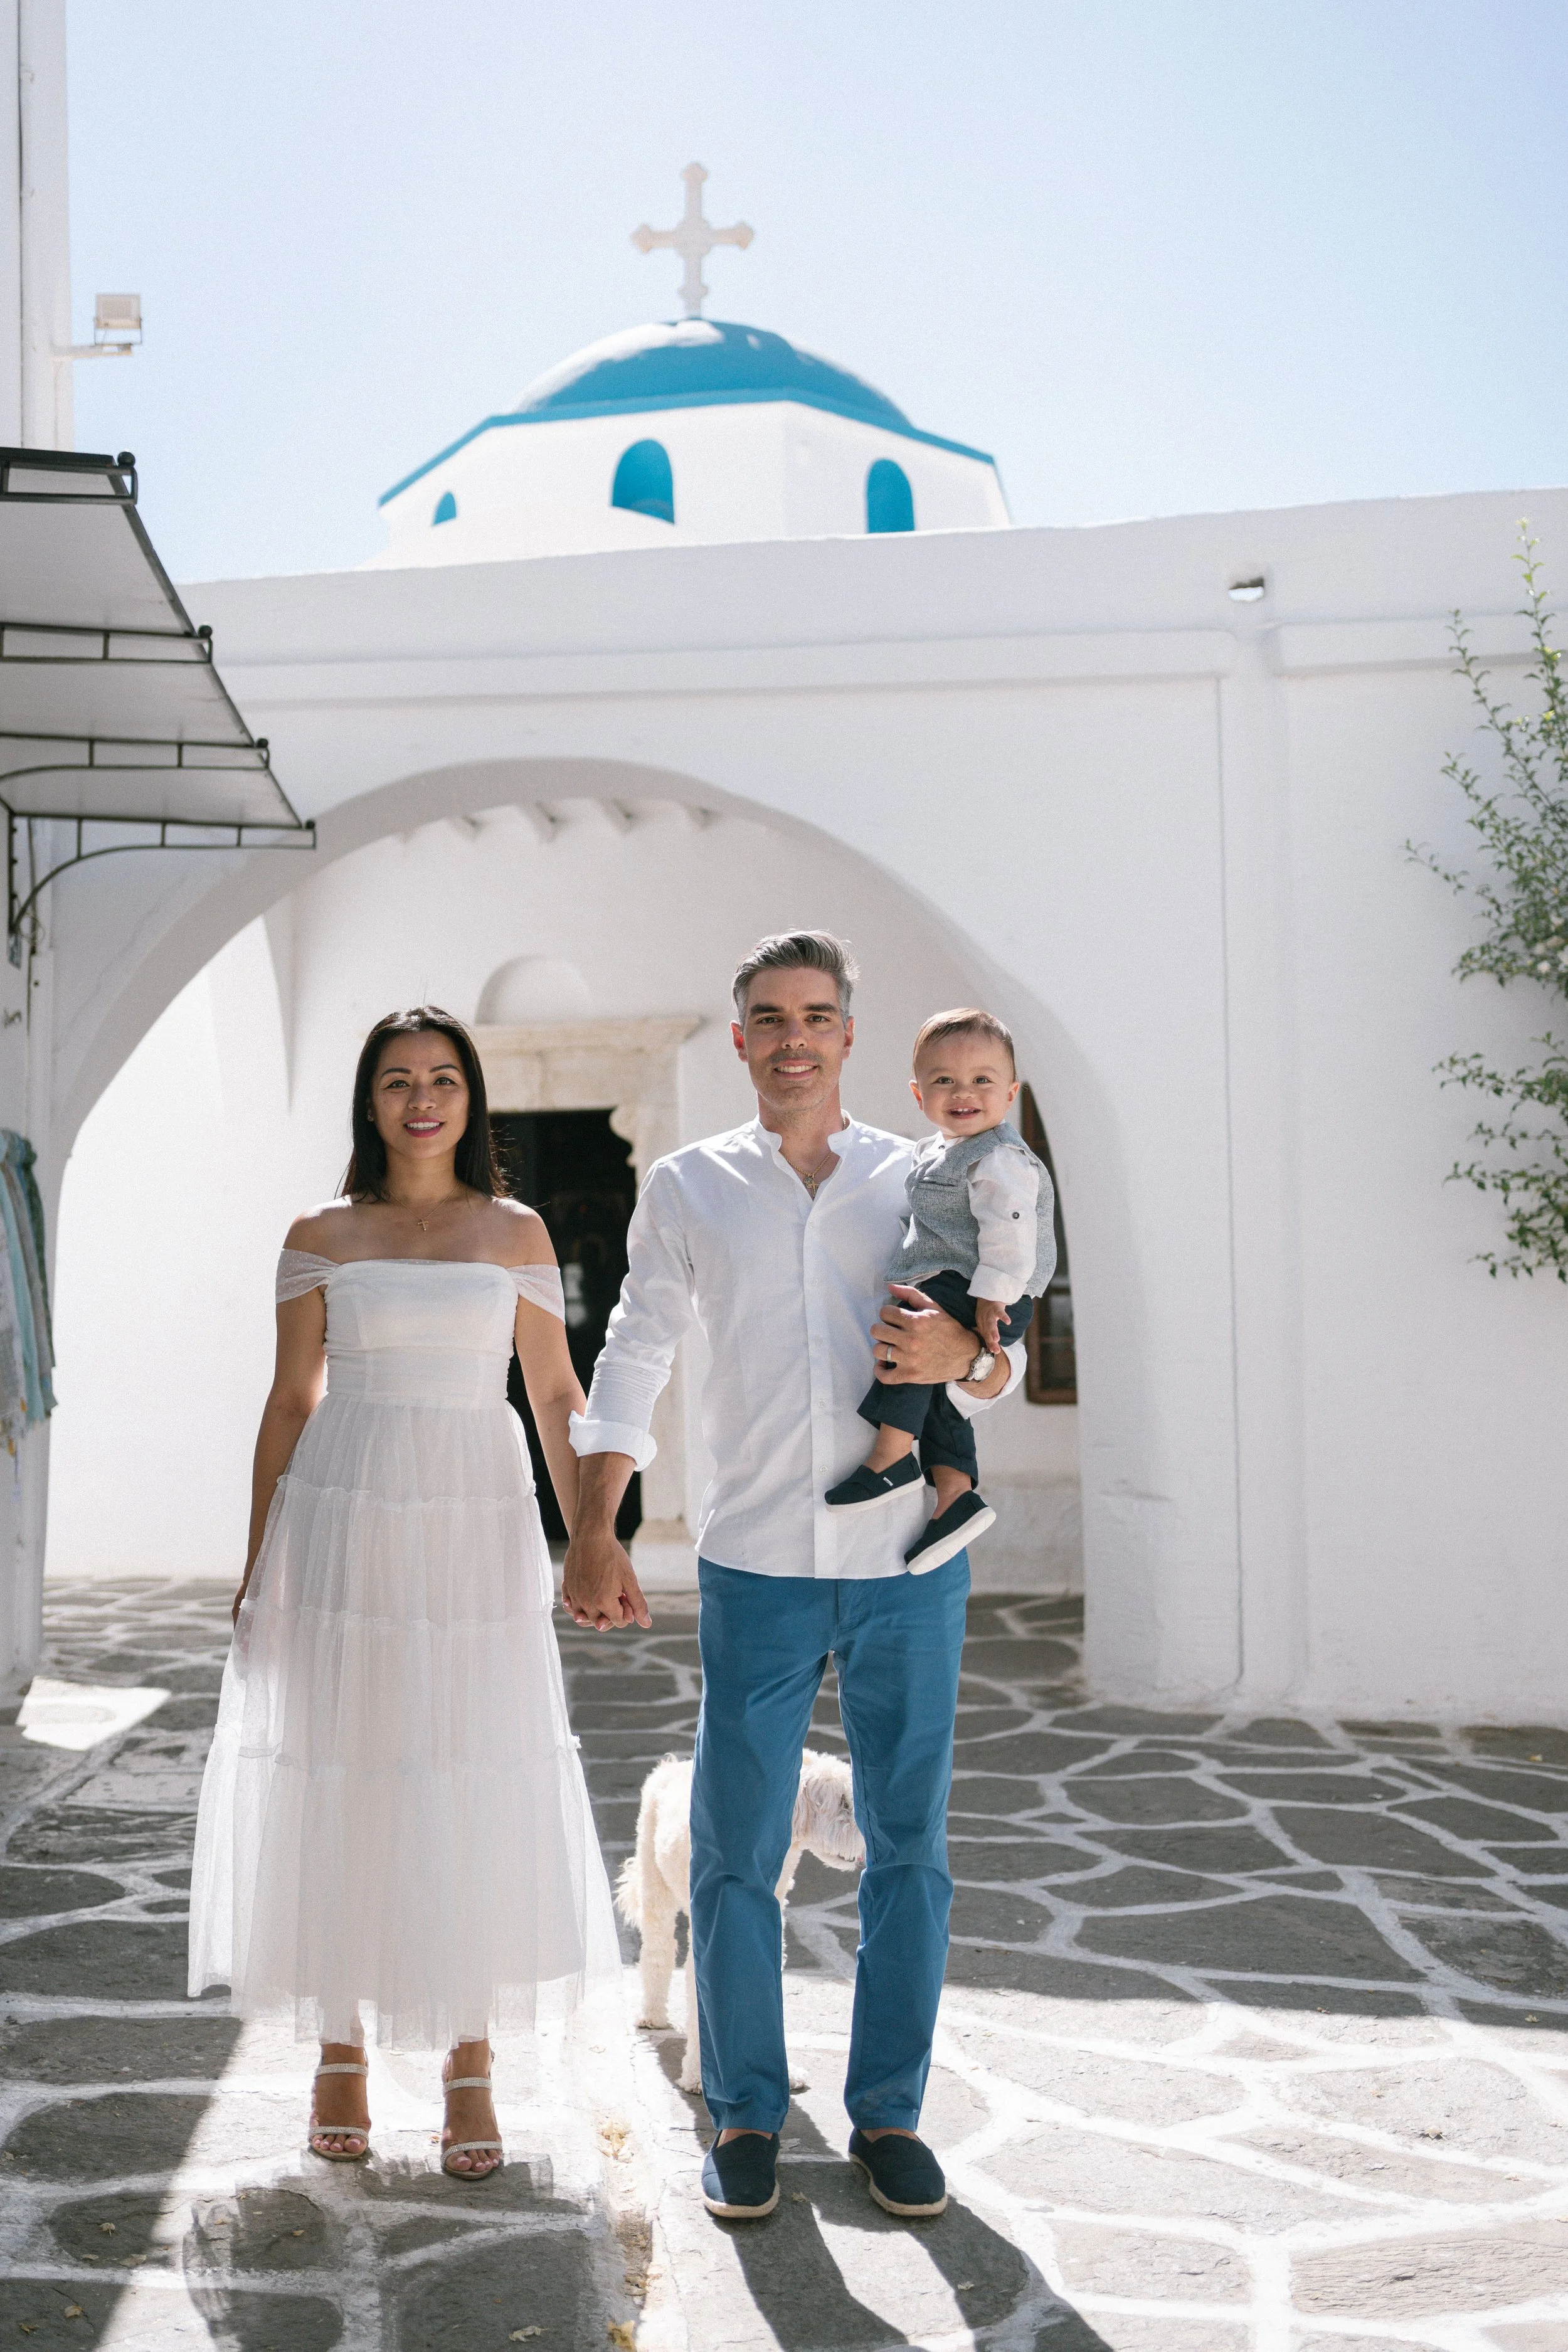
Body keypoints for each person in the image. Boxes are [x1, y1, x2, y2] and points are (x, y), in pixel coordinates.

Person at [561, 932, 1024, 2224]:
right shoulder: (688, 1186)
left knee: (908, 1848)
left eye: (816, 1015)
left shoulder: (922, 1173)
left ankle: (887, 2116)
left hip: (904, 1565)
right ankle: (747, 2111)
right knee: (730, 1849)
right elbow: (636, 1347)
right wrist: (596, 1523)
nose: (793, 1038)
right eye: (769, 1017)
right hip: (753, 1560)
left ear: (848, 1036)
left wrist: (962, 1367)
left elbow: (998, 1342)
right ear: (738, 1038)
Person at [189, 1006, 617, 2176]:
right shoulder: (321, 1231)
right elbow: (290, 1400)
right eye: (396, 1081)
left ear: (472, 1098)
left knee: (469, 1763)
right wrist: (259, 1558)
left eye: (442, 1079)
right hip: (346, 1517)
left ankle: (470, 2061)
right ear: (368, 1102)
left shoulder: (516, 1231)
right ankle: (339, 2047)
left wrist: (596, 1529)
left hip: (474, 1525)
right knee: (347, 1760)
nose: (420, 1099)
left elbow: (554, 1396)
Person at [825, 1008, 1055, 1574]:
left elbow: (1012, 1226)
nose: (963, 1092)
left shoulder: (999, 1156)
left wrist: (993, 1296)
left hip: (981, 1287)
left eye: (982, 1080)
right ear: (918, 1092)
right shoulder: (936, 1150)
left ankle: (892, 1457)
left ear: (1010, 1094)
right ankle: (954, 1495)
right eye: (944, 1080)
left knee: (908, 1342)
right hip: (963, 1280)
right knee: (940, 1392)